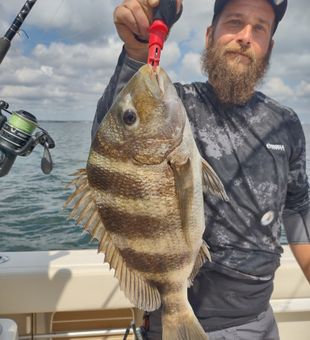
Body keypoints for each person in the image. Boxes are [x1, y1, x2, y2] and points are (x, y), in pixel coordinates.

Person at [92, 0, 310, 339]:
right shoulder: (178, 105)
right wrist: (137, 50)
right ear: (209, 35)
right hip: (171, 316)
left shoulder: (286, 124)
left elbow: (297, 206)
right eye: (234, 22)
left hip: (257, 320)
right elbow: (113, 146)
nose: (245, 36)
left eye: (260, 28)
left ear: (270, 47)